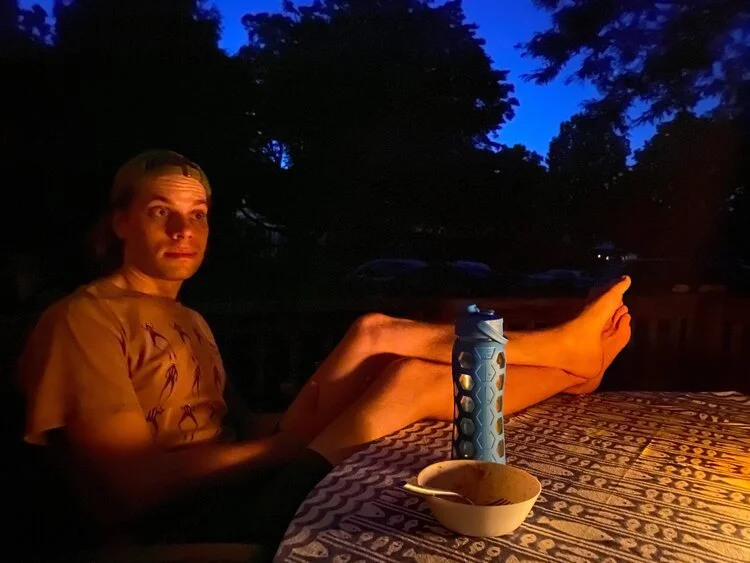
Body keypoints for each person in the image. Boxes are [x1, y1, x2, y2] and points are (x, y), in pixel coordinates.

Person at [18, 150, 632, 555]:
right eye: (161, 213)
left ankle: (571, 360)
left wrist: (295, 424)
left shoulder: (188, 319)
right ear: (121, 222)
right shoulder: (83, 319)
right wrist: (286, 446)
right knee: (404, 379)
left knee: (375, 335)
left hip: (243, 480)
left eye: (197, 215)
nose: (184, 231)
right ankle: (571, 362)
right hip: (191, 520)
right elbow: (131, 489)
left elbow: (231, 428)